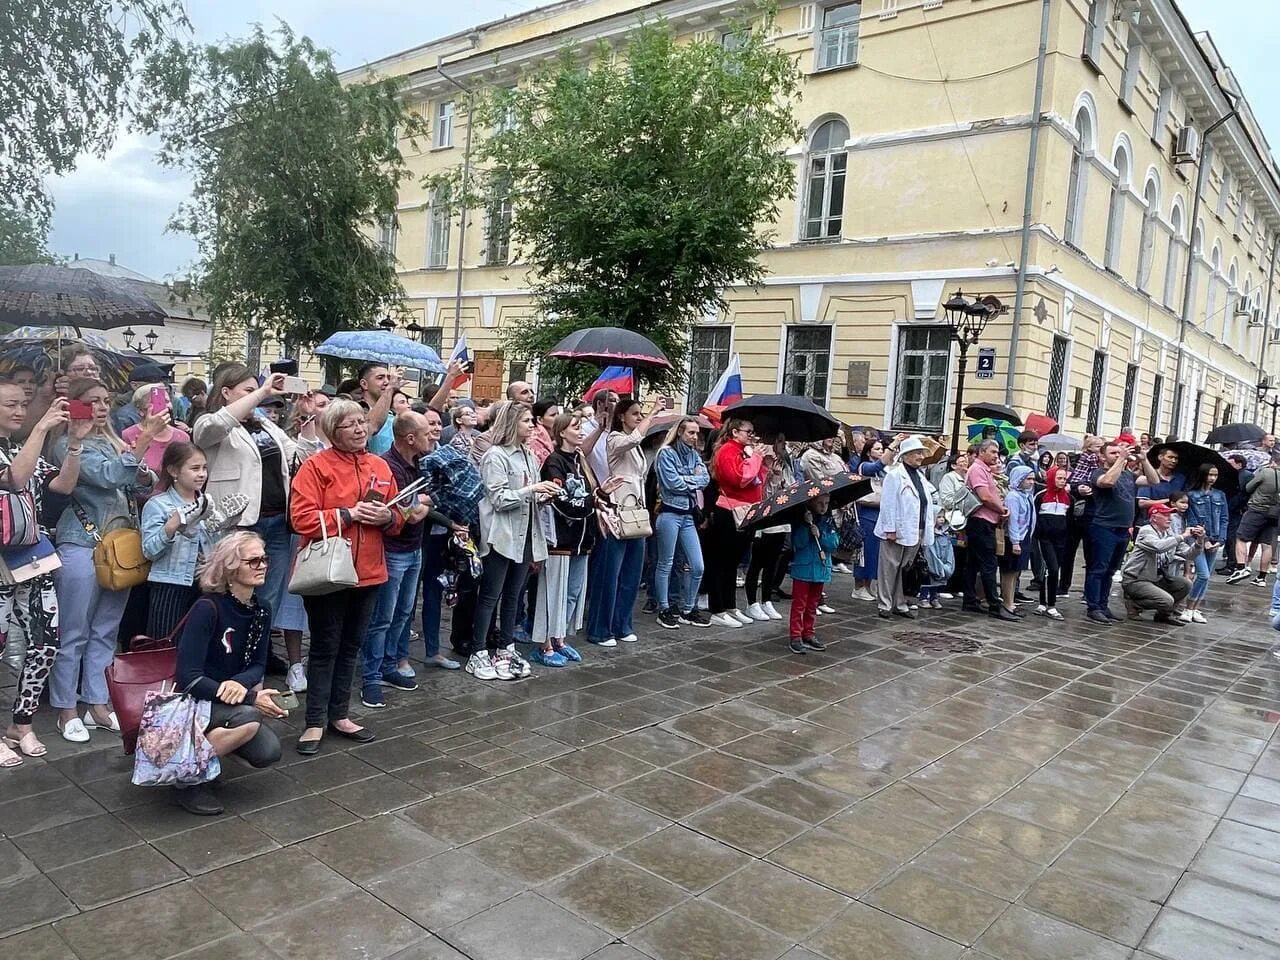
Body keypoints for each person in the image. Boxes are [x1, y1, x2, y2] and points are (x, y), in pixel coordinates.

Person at [49, 378, 162, 743]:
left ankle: (97, 702)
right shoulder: (67, 443)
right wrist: (144, 440)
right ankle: (66, 709)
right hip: (82, 541)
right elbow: (108, 476)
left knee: (107, 631)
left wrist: (141, 466)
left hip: (120, 546)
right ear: (73, 405)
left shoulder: (114, 439)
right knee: (74, 631)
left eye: (105, 400)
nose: (100, 407)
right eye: (91, 401)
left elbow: (142, 481)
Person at [194, 366, 321, 690]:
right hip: (239, 525)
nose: (257, 395)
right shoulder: (211, 422)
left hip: (277, 522)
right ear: (226, 392)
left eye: (257, 388)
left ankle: (254, 677)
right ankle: (224, 671)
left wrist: (307, 419)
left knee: (265, 602)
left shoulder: (264, 423)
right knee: (231, 599)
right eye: (247, 389)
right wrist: (263, 392)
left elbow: (301, 456)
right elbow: (212, 430)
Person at [289, 399, 403, 754]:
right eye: (350, 424)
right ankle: (313, 721)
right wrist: (350, 514)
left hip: (369, 573)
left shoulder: (380, 466)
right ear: (332, 430)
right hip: (327, 573)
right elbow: (301, 519)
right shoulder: (315, 467)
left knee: (351, 645)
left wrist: (387, 518)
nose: (359, 429)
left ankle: (339, 714)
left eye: (362, 423)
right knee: (325, 647)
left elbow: (398, 516)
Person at [0, 385, 90, 766]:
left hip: (34, 559)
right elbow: (14, 481)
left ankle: (21, 722)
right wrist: (40, 429)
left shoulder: (25, 449)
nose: (21, 411)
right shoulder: (21, 451)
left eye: (24, 404)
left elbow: (64, 485)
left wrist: (73, 443)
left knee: (46, 641)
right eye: (11, 405)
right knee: (2, 647)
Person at [171, 532, 288, 815]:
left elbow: (259, 665)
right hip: (196, 699)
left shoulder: (262, 608)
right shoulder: (207, 607)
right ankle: (188, 778)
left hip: (228, 697)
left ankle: (207, 752)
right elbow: (188, 677)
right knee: (249, 718)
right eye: (253, 561)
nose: (262, 565)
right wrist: (249, 696)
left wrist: (240, 684)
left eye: (264, 559)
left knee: (268, 752)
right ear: (231, 568)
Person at [359, 411, 436, 708]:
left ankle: (389, 665)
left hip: (414, 548)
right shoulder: (386, 467)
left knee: (404, 613)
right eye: (427, 433)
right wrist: (417, 507)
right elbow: (399, 513)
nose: (432, 437)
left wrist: (418, 506)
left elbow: (421, 506)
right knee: (382, 618)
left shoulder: (419, 463)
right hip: (392, 550)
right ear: (410, 438)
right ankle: (371, 676)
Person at [470, 400, 550, 679]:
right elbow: (499, 498)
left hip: (526, 533)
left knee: (514, 595)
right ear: (512, 423)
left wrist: (544, 494)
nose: (532, 425)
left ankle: (506, 645)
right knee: (491, 594)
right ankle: (478, 650)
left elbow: (530, 494)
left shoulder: (529, 455)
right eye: (527, 420)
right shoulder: (495, 455)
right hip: (501, 535)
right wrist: (532, 490)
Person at [534, 411, 614, 665]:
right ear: (561, 433)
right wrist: (593, 499)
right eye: (575, 427)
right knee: (553, 593)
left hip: (582, 538)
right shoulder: (554, 461)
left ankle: (560, 638)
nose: (580, 431)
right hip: (562, 538)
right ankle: (544, 643)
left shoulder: (580, 460)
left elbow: (587, 495)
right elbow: (561, 500)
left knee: (572, 593)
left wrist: (601, 492)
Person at [585, 396, 667, 643]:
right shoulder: (614, 439)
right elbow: (633, 439)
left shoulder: (637, 448)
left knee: (631, 574)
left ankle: (622, 624)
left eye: (641, 413)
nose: (640, 417)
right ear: (622, 417)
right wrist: (654, 411)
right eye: (635, 413)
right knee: (610, 574)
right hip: (617, 512)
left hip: (636, 513)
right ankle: (601, 628)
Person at [140, 443, 215, 639]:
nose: (201, 474)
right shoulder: (157, 504)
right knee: (165, 642)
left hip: (203, 584)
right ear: (174, 470)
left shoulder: (206, 503)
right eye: (194, 468)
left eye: (204, 468)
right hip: (170, 583)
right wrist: (171, 527)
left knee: (198, 642)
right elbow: (149, 551)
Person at [1083, 439, 1159, 624]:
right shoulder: (1097, 473)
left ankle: (1103, 605)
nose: (1118, 455)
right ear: (1102, 456)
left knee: (1110, 570)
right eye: (1113, 453)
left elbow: (1154, 480)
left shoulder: (1128, 475)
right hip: (1104, 528)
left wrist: (1144, 460)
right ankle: (1093, 607)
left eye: (1119, 452)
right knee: (1098, 569)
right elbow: (1107, 482)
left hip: (1123, 530)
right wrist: (1121, 460)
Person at [704, 417, 765, 629]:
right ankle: (717, 608)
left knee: (733, 562)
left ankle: (729, 605)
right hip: (729, 511)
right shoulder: (727, 451)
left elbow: (757, 480)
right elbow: (740, 478)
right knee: (721, 561)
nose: (752, 435)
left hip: (745, 510)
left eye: (752, 431)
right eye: (748, 431)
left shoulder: (743, 451)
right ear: (735, 432)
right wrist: (756, 458)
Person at [653, 416, 711, 630]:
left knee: (697, 565)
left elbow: (705, 480)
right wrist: (691, 480)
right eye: (690, 432)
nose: (695, 437)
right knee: (665, 563)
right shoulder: (666, 453)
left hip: (687, 515)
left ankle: (688, 608)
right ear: (680, 432)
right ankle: (664, 608)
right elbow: (671, 483)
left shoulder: (695, 456)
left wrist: (686, 479)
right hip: (669, 513)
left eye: (697, 433)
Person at [874, 436, 937, 619]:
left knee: (905, 568)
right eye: (917, 453)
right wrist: (890, 528)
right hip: (896, 528)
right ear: (906, 455)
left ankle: (900, 603)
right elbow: (888, 504)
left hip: (916, 528)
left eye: (921, 453)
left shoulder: (920, 475)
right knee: (889, 567)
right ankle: (885, 604)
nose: (921, 456)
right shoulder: (895, 475)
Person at [1121, 504, 1199, 624]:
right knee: (1167, 600)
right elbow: (1159, 546)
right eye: (1165, 515)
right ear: (1154, 518)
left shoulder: (1169, 533)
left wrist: (1200, 541)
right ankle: (1134, 605)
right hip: (1136, 579)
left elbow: (1189, 554)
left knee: (1186, 584)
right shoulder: (1146, 530)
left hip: (1156, 578)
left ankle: (1164, 615)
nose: (1170, 518)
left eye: (1170, 515)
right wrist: (1182, 536)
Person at [744, 434, 793, 622]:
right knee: (757, 562)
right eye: (779, 441)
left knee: (773, 562)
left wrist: (780, 478)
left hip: (780, 517)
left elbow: (789, 489)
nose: (783, 445)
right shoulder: (759, 460)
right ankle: (751, 603)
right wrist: (770, 476)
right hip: (762, 520)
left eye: (783, 441)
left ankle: (766, 600)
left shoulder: (784, 463)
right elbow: (760, 492)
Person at [963, 440, 1014, 620]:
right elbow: (985, 496)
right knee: (989, 564)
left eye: (997, 452)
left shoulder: (985, 470)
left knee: (973, 564)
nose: (996, 455)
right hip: (980, 521)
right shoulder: (977, 469)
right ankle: (994, 604)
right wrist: (1001, 510)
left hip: (985, 521)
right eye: (992, 452)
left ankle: (970, 600)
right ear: (982, 452)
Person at [787, 493, 835, 655]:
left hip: (820, 568)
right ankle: (795, 635)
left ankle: (808, 633)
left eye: (826, 503)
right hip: (803, 569)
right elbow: (797, 543)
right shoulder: (801, 521)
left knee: (813, 604)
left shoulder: (828, 521)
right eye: (819, 503)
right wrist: (807, 529)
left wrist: (821, 535)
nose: (823, 507)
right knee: (799, 604)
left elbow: (834, 544)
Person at [1227, 455, 1280, 586]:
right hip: (1274, 512)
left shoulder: (1266, 472)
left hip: (1257, 509)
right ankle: (1262, 577)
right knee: (1267, 545)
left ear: (1273, 461)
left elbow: (1249, 487)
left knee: (1241, 538)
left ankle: (1241, 568)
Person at [1185, 463, 1228, 623]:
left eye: (1215, 475)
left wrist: (1221, 539)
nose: (1212, 478)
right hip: (1198, 540)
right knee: (1202, 574)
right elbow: (1192, 520)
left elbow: (1224, 518)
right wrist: (1205, 540)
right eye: (1210, 474)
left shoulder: (1220, 495)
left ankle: (1196, 608)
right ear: (1203, 475)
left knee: (1207, 576)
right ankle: (1188, 607)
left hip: (1215, 540)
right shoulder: (1192, 495)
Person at [122, 383, 191, 480]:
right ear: (141, 410)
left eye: (167, 401)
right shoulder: (128, 435)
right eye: (159, 401)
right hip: (143, 493)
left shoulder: (182, 437)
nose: (167, 406)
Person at [1035, 464, 1070, 620]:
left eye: (1064, 478)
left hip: (1061, 539)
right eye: (1059, 478)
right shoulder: (1041, 496)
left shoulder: (1068, 498)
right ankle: (1051, 605)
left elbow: (1069, 519)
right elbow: (1034, 516)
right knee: (1053, 569)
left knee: (1051, 571)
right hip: (1045, 538)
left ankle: (1043, 602)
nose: (1062, 481)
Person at [1001, 464, 1037, 618]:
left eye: (1033, 479)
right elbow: (1013, 520)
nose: (1031, 482)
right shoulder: (1013, 497)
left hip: (1025, 536)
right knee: (1009, 571)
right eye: (1028, 479)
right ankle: (1007, 602)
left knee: (1016, 571)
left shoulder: (1026, 495)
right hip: (1015, 538)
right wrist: (1015, 541)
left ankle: (1011, 600)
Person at [353, 363, 400, 456]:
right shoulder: (355, 411)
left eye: (388, 378)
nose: (387, 382)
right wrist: (390, 389)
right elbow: (371, 427)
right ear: (364, 384)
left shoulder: (393, 414)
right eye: (380, 378)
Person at [1221, 454, 1251, 575]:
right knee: (1230, 538)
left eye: (1230, 464)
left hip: (1236, 511)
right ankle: (1230, 563)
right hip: (1232, 509)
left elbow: (1244, 494)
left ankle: (1232, 565)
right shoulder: (1238, 475)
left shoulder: (1246, 476)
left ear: (1239, 464)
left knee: (1232, 538)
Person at [530, 400, 558, 465]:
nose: (558, 417)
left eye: (558, 414)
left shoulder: (552, 437)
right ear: (539, 419)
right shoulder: (534, 441)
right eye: (553, 415)